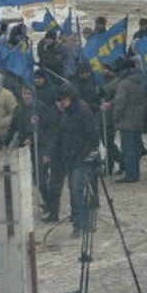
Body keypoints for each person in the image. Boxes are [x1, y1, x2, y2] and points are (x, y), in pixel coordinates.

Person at [52, 84, 99, 236]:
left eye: (64, 100)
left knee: (78, 192)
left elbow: (93, 137)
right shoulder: (66, 115)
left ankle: (83, 223)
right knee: (74, 192)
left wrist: (84, 154)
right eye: (60, 101)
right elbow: (60, 137)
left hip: (82, 160)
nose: (61, 103)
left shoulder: (84, 113)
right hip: (69, 159)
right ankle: (79, 223)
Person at [104, 58, 147, 183]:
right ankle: (135, 172)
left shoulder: (124, 84)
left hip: (126, 120)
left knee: (128, 149)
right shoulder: (141, 80)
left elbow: (120, 104)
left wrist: (115, 118)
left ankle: (131, 175)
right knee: (135, 147)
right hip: (138, 118)